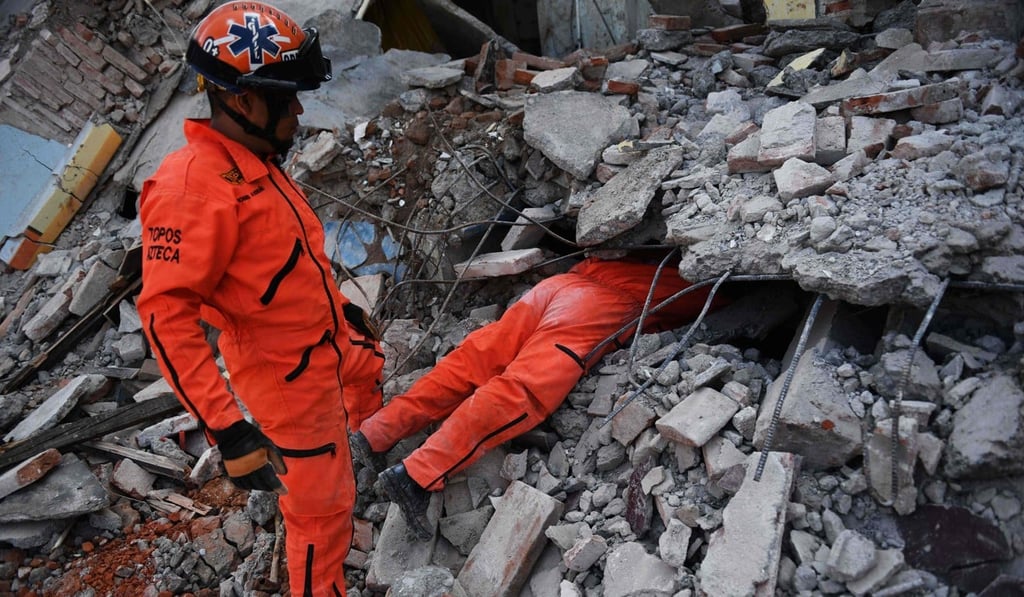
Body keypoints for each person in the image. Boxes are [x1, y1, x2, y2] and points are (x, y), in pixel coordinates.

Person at [136, 3, 383, 594]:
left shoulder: (255, 162)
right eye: (286, 98)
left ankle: (367, 454)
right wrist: (228, 430)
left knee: (371, 364)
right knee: (320, 516)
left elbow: (281, 262)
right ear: (242, 101)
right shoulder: (190, 191)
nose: (298, 109)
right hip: (288, 381)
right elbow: (166, 319)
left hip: (327, 341)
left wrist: (338, 311)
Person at [349, 256, 718, 540]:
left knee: (473, 361)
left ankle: (377, 432)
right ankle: (416, 475)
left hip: (560, 285)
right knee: (521, 391)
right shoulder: (716, 276)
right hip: (598, 305)